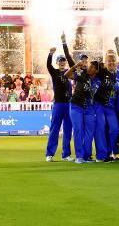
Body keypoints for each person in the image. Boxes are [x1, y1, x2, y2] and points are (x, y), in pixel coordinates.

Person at [44, 32, 74, 162]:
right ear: (57, 63)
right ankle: (49, 154)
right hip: (58, 104)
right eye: (60, 61)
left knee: (68, 129)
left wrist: (64, 41)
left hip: (68, 104)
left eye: (64, 61)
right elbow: (48, 65)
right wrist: (50, 54)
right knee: (54, 129)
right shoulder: (55, 72)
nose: (62, 63)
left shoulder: (69, 73)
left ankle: (66, 154)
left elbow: (74, 66)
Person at [65, 54, 97, 165]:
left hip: (89, 107)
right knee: (78, 130)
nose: (89, 68)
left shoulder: (98, 79)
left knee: (89, 132)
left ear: (96, 71)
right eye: (90, 66)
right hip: (76, 105)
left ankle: (87, 156)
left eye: (92, 67)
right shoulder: (82, 74)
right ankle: (79, 156)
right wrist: (75, 66)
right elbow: (67, 74)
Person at [93, 53, 119, 162]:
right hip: (99, 105)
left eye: (113, 60)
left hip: (111, 107)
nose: (111, 62)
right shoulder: (101, 72)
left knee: (115, 129)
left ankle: (109, 152)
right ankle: (101, 156)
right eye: (108, 60)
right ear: (105, 62)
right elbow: (92, 69)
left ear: (116, 62)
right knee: (100, 128)